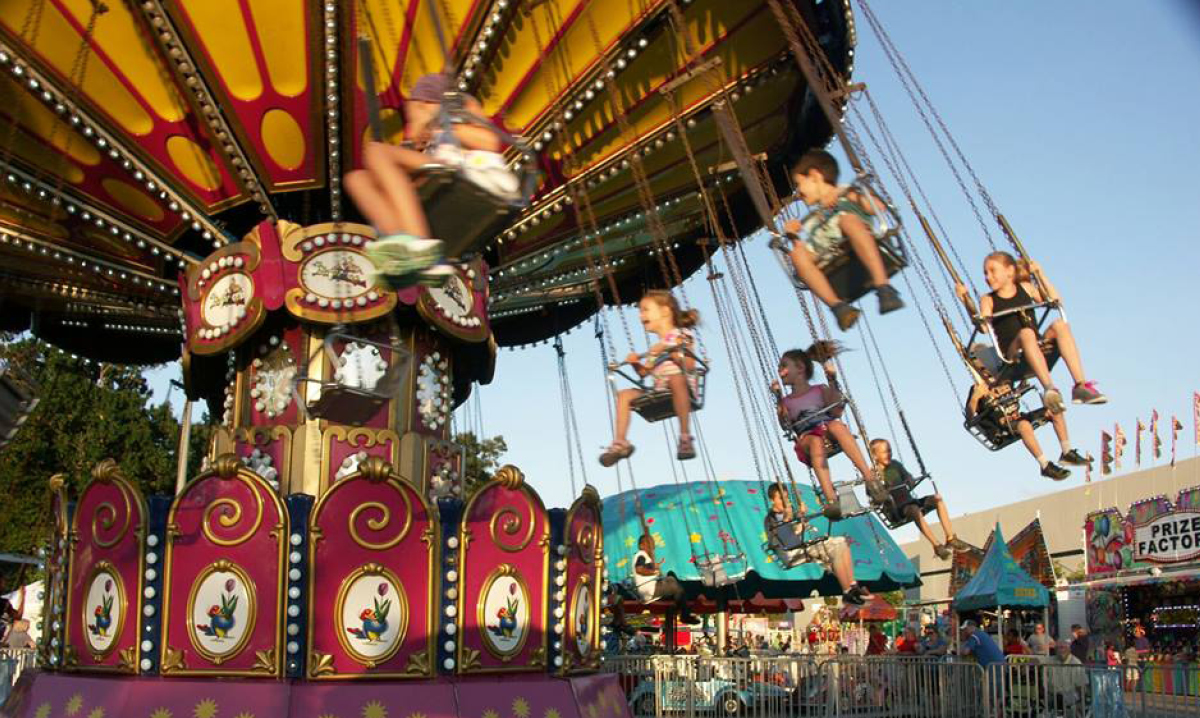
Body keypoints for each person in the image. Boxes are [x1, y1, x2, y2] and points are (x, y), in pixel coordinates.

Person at [346, 72, 516, 288]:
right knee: (357, 179)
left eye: (416, 109)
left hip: (467, 172)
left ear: (428, 103)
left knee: (376, 152)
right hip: (443, 173)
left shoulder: (458, 112)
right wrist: (416, 143)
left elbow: (490, 142)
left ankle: (418, 243)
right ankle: (401, 244)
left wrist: (439, 124)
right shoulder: (430, 139)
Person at [957, 251, 1106, 414]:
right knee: (1026, 333)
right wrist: (966, 300)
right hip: (1011, 355)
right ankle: (1050, 389)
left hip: (1036, 345)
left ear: (1010, 271)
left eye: (993, 271)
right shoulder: (988, 299)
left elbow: (1056, 301)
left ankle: (1080, 386)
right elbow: (984, 328)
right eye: (985, 273)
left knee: (1060, 325)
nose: (988, 276)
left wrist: (1040, 274)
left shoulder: (1026, 288)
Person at [782, 149, 904, 331]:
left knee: (847, 220)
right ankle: (838, 307)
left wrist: (845, 193)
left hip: (857, 243)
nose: (798, 192)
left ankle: (884, 288)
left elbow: (877, 207)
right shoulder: (813, 219)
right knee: (797, 254)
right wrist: (793, 236)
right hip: (830, 258)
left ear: (815, 176)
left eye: (799, 184)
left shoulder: (848, 193)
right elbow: (808, 255)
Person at [773, 342, 874, 519]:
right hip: (806, 437)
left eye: (783, 366)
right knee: (815, 442)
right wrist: (778, 398)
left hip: (826, 427)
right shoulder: (787, 401)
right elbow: (785, 424)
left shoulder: (820, 389)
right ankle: (831, 499)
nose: (780, 371)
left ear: (800, 368)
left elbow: (836, 411)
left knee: (838, 426)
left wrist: (832, 380)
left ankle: (870, 478)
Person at [600, 291, 702, 465]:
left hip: (681, 386)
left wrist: (669, 350)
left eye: (645, 309)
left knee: (675, 379)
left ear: (665, 311)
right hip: (660, 390)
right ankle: (620, 442)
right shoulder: (655, 346)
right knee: (624, 395)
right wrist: (634, 363)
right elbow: (644, 373)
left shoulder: (682, 334)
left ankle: (685, 438)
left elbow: (690, 364)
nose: (641, 315)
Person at [764, 483, 872, 606]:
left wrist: (801, 517)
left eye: (786, 498)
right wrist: (789, 520)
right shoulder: (771, 519)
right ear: (772, 500)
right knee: (835, 548)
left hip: (799, 548)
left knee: (842, 541)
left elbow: (795, 532)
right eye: (780, 498)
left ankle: (853, 585)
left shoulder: (786, 515)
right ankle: (847, 591)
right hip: (790, 553)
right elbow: (785, 539)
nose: (785, 501)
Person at [965, 378, 1086, 481]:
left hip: (1018, 418)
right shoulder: (978, 387)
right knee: (1024, 425)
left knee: (1055, 410)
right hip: (1001, 427)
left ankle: (1067, 452)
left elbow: (1016, 392)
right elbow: (969, 417)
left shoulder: (1005, 378)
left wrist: (1022, 385)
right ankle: (1045, 466)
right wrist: (975, 397)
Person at [868, 438, 966, 558]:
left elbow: (908, 476)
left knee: (937, 499)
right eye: (884, 452)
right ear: (875, 455)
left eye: (890, 451)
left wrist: (910, 479)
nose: (889, 454)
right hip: (896, 511)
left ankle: (951, 538)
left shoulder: (895, 465)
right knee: (914, 509)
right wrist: (881, 493)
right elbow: (872, 496)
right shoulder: (872, 473)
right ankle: (936, 545)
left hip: (909, 501)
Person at [631, 532, 700, 625]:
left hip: (649, 590)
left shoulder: (642, 556)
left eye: (652, 543)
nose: (652, 545)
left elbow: (646, 567)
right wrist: (652, 572)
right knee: (673, 583)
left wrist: (655, 568)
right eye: (649, 543)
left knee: (672, 577)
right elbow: (639, 569)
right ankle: (685, 614)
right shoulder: (641, 554)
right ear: (641, 546)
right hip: (649, 591)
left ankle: (683, 604)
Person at [1045, 643, 1088, 713]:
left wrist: (1082, 702)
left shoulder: (1076, 663)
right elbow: (1043, 683)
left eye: (1064, 647)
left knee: (1063, 699)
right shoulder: (1049, 661)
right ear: (1056, 650)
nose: (1062, 650)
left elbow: (1082, 685)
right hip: (1051, 696)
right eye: (1059, 648)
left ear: (1069, 650)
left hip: (1070, 696)